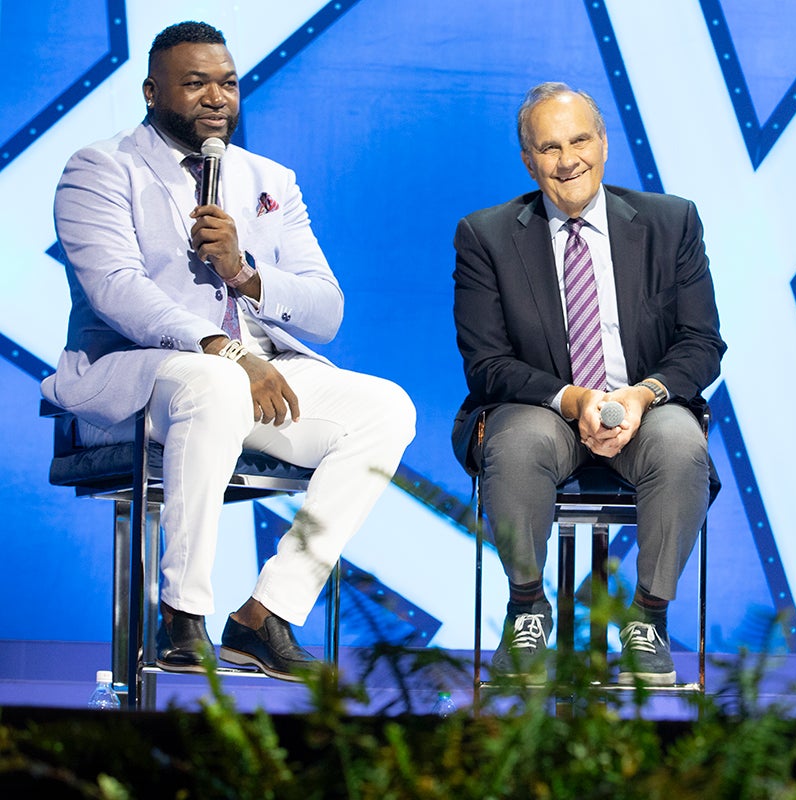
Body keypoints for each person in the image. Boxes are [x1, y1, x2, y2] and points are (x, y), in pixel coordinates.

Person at [43, 21, 416, 681]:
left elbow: (326, 311)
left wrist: (246, 272)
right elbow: (115, 291)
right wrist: (226, 350)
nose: (217, 97)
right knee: (211, 383)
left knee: (387, 407)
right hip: (137, 377)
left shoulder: (269, 178)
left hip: (260, 379)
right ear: (152, 92)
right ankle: (181, 615)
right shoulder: (100, 169)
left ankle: (264, 616)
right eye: (195, 84)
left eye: (228, 83)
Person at [451, 82, 725, 684]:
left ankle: (648, 618)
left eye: (580, 140)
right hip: (542, 407)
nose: (567, 159)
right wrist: (573, 399)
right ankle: (527, 608)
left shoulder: (670, 221)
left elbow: (702, 344)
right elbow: (487, 364)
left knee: (683, 446)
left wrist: (640, 395)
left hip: (645, 405)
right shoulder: (486, 236)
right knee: (517, 443)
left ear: (604, 144)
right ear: (529, 161)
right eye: (549, 147)